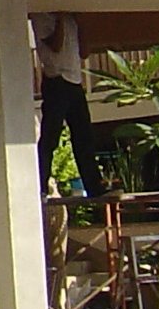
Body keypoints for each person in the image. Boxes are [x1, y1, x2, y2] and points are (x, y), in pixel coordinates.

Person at [32, 12, 107, 197]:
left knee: (84, 137)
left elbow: (84, 52)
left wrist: (81, 25)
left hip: (74, 81)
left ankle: (94, 186)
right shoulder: (41, 18)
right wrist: (60, 20)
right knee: (51, 136)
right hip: (56, 79)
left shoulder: (72, 20)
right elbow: (56, 46)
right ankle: (39, 186)